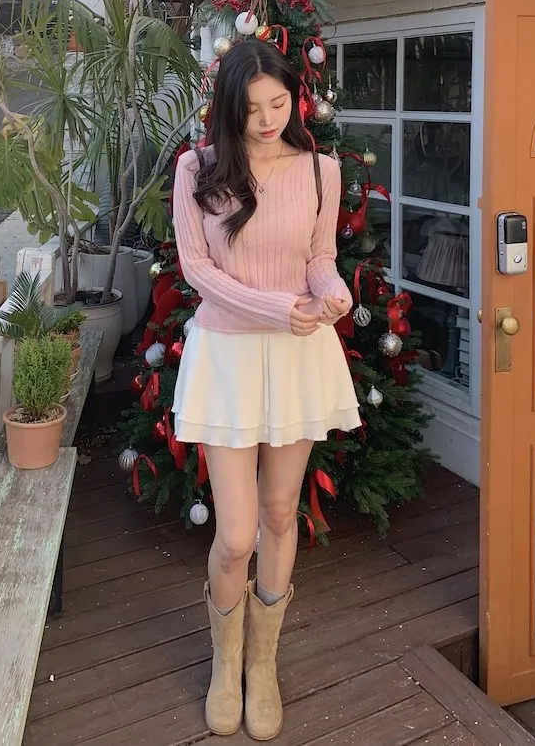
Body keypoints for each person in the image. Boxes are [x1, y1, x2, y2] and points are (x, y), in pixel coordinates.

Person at [172, 38, 361, 740]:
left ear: (294, 98)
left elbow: (319, 257)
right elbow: (198, 269)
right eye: (252, 109)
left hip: (297, 355)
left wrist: (333, 292)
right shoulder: (198, 170)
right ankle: (225, 663)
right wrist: (278, 308)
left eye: (278, 104)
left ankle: (262, 664)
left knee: (281, 514)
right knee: (236, 533)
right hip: (228, 356)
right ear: (230, 108)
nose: (267, 119)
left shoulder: (320, 170)